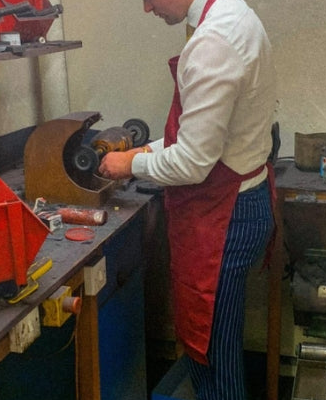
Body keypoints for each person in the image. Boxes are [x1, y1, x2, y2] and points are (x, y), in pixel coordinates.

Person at [98, 0, 277, 397]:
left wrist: (130, 166)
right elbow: (196, 139)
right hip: (236, 202)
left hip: (224, 218)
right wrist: (140, 154)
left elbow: (193, 163)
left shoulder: (213, 42)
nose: (146, 9)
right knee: (214, 351)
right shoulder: (232, 13)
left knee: (214, 361)